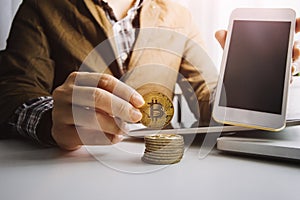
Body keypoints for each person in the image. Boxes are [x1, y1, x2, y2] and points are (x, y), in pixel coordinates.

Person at [0, 0, 299, 150]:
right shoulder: (41, 6)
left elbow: (207, 99)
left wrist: (253, 88)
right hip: (68, 166)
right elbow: (14, 86)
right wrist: (49, 117)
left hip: (152, 169)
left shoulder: (178, 15)